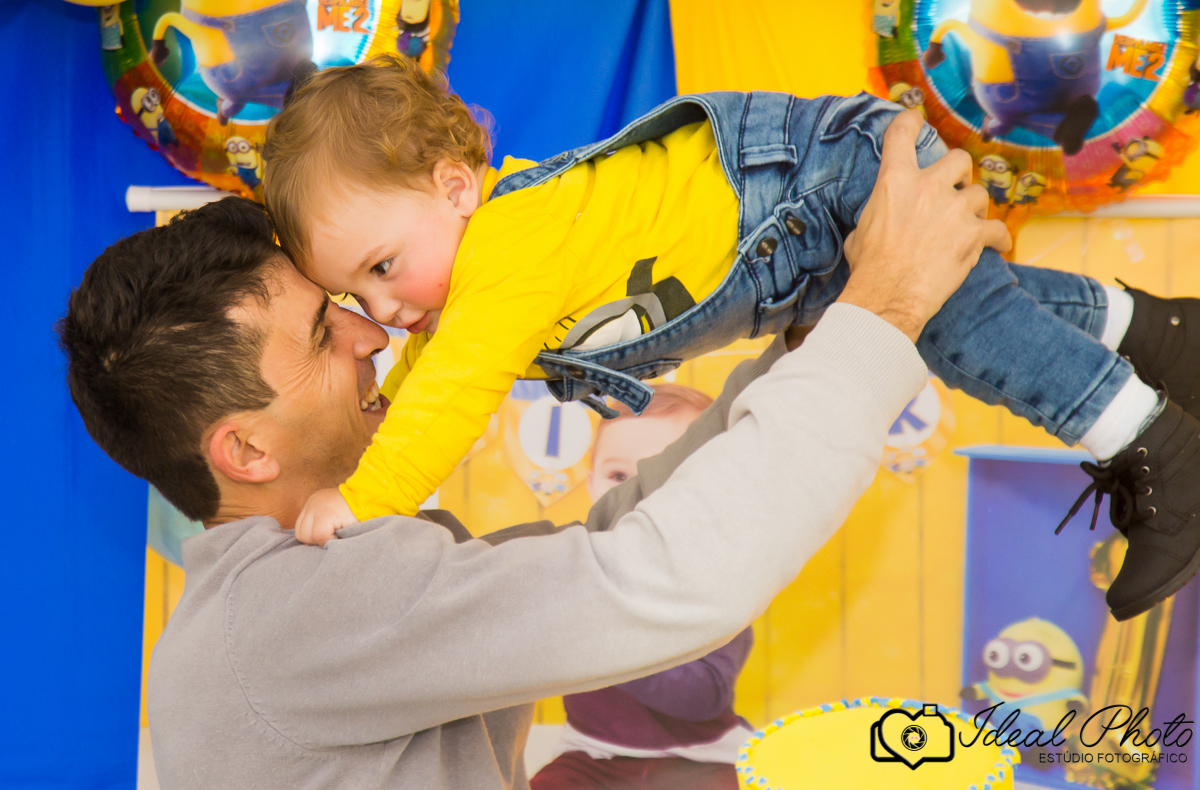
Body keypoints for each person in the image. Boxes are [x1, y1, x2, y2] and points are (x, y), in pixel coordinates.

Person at [58, 111, 999, 788]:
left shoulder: (292, 595)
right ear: (246, 450)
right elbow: (660, 585)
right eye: (321, 333)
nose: (374, 337)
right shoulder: (298, 604)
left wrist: (819, 339)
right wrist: (881, 314)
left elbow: (603, 549)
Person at [264, 55, 1200, 622]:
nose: (380, 312)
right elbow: (430, 380)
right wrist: (375, 450)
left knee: (969, 328)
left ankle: (1156, 449)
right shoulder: (474, 275)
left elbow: (452, 391)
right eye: (354, 291)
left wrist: (367, 497)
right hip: (798, 228)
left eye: (382, 268)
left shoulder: (507, 249)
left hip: (811, 183)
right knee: (965, 313)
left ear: (453, 188)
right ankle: (1157, 332)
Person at [533, 385, 752, 789]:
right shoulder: (577, 560)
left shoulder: (717, 575)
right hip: (592, 752)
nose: (635, 492)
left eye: (664, 474)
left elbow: (702, 698)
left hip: (698, 755)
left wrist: (601, 638)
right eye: (618, 475)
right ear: (591, 483)